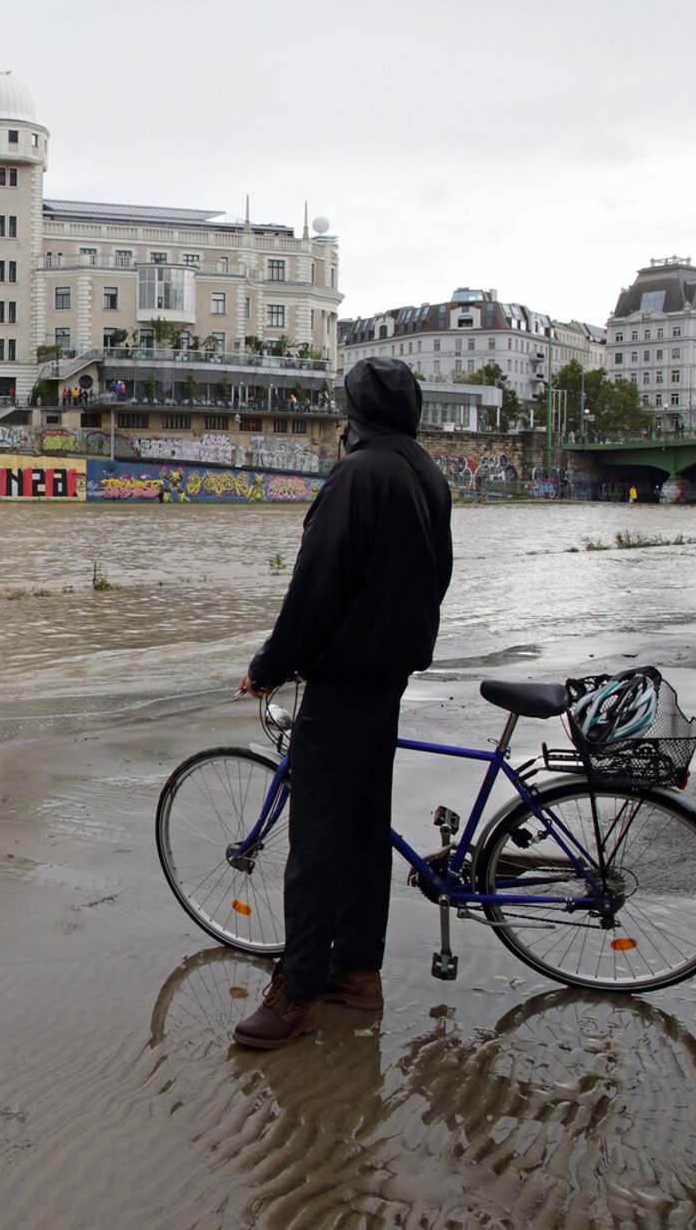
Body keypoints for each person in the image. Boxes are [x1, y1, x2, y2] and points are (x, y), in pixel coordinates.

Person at [232, 356, 454, 1050]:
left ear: (354, 414)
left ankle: (296, 990)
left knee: (319, 843)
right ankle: (357, 973)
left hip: (345, 679)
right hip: (388, 675)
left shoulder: (356, 476)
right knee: (362, 833)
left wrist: (270, 665)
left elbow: (315, 588)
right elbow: (438, 574)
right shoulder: (424, 471)